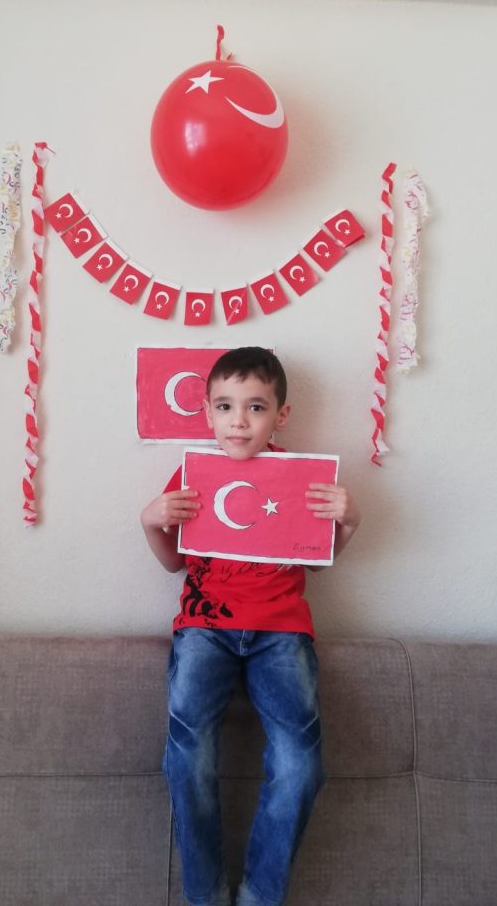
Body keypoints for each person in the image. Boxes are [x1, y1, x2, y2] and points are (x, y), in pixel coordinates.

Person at [140, 347, 360, 906]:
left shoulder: (299, 479)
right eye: (225, 406)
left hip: (280, 631)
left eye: (255, 407)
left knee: (301, 764)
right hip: (204, 628)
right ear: (207, 413)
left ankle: (261, 895)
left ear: (280, 415)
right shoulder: (192, 474)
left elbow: (316, 560)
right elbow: (173, 562)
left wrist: (348, 524)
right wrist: (150, 522)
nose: (239, 420)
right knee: (185, 757)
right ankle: (205, 894)